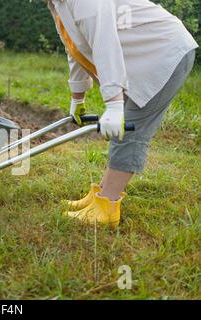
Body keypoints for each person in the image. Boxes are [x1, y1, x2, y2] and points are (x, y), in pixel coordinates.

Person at [47, 0, 198, 228]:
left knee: (132, 128)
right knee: (125, 128)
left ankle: (107, 207)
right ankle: (100, 195)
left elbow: (104, 42)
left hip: (164, 52)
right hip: (142, 56)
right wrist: (77, 97)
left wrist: (114, 104)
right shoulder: (57, 3)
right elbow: (76, 46)